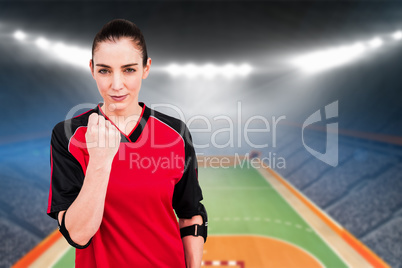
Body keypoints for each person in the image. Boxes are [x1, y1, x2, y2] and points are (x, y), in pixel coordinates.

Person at [46, 19, 207, 268]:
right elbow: (78, 235)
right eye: (104, 70)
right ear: (92, 69)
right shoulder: (68, 136)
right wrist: (100, 160)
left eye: (129, 70)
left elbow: (190, 214)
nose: (117, 85)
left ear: (146, 68)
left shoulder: (176, 133)